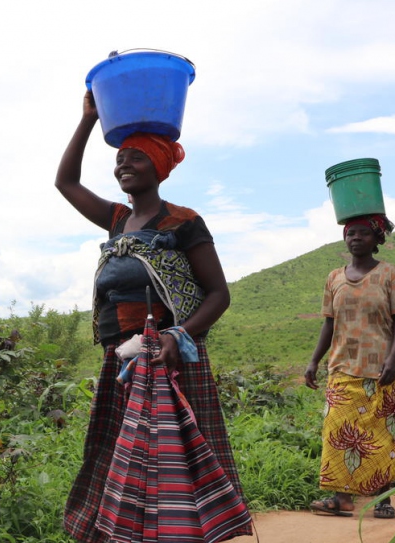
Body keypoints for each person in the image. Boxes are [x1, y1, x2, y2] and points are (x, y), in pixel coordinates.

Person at [57, 91, 251, 541]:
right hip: (119, 358)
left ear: (158, 168)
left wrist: (177, 335)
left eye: (135, 159)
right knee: (120, 455)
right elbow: (66, 183)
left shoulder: (182, 222)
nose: (123, 165)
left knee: (169, 458)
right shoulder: (116, 219)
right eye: (120, 159)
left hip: (166, 358)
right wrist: (87, 121)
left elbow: (219, 294)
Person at [303, 214, 395, 520]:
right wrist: (314, 361)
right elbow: (329, 324)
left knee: (382, 433)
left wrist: (393, 360)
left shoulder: (391, 275)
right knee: (338, 432)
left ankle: (383, 498)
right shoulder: (334, 278)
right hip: (342, 367)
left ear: (377, 239)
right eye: (350, 233)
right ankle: (342, 498)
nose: (355, 238)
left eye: (362, 234)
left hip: (383, 369)